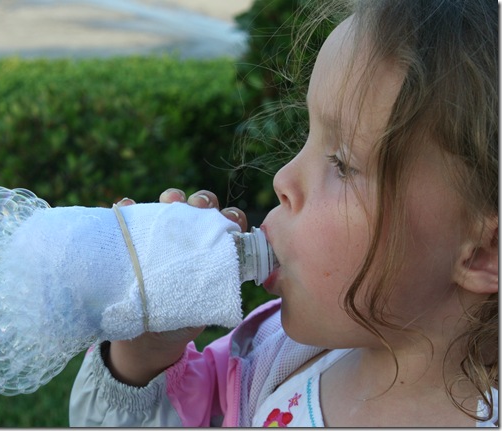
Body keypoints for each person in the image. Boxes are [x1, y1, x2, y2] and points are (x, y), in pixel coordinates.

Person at [68, 0, 498, 426]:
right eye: (307, 135)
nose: (283, 178)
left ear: (483, 252)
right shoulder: (267, 360)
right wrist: (144, 353)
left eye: (342, 164)